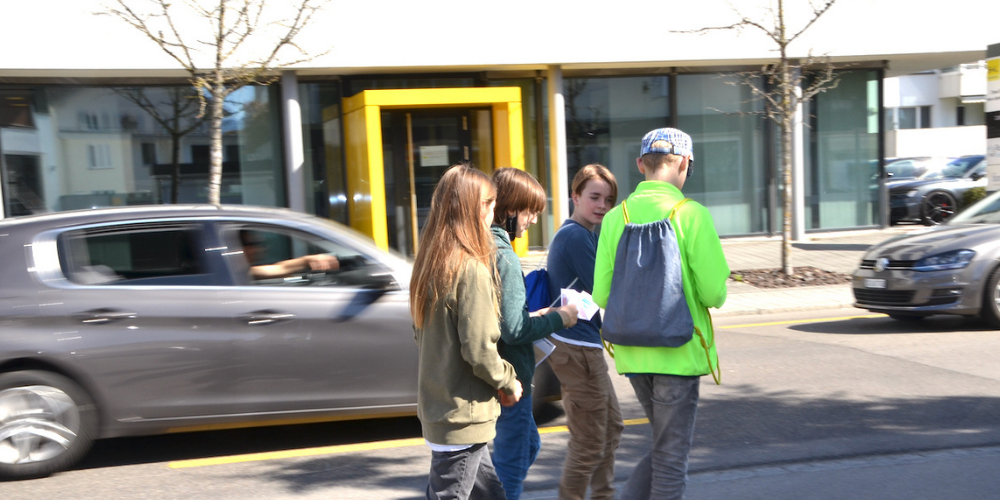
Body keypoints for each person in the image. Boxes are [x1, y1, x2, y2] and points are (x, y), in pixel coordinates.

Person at [592, 128, 729, 500]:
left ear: (641, 164)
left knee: (663, 445)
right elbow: (713, 294)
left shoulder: (615, 218)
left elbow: (601, 294)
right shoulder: (692, 214)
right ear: (685, 163)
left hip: (633, 353)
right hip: (679, 351)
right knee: (671, 458)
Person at [410, 164, 522, 500]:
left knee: (490, 494)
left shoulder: (431, 263)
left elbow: (421, 335)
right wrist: (508, 380)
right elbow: (479, 350)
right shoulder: (471, 269)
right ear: (476, 209)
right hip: (462, 414)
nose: (493, 215)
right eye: (490, 205)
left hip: (442, 406)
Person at [489, 167, 578, 500]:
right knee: (510, 473)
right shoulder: (505, 257)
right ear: (511, 209)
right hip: (512, 379)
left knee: (529, 445)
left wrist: (533, 316)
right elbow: (514, 331)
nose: (534, 220)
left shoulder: (484, 246)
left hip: (502, 376)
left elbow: (501, 319)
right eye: (530, 212)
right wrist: (560, 318)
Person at [545, 164, 623, 500]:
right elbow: (606, 288)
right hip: (577, 349)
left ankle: (603, 494)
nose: (602, 205)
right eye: (594, 197)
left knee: (611, 428)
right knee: (589, 441)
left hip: (582, 345)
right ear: (574, 196)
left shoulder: (581, 233)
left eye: (608, 199)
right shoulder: (576, 236)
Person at [239, 229, 339, 280]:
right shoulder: (235, 273)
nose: (259, 249)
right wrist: (307, 261)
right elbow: (280, 269)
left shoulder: (239, 273)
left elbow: (280, 268)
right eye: (252, 244)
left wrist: (308, 260)